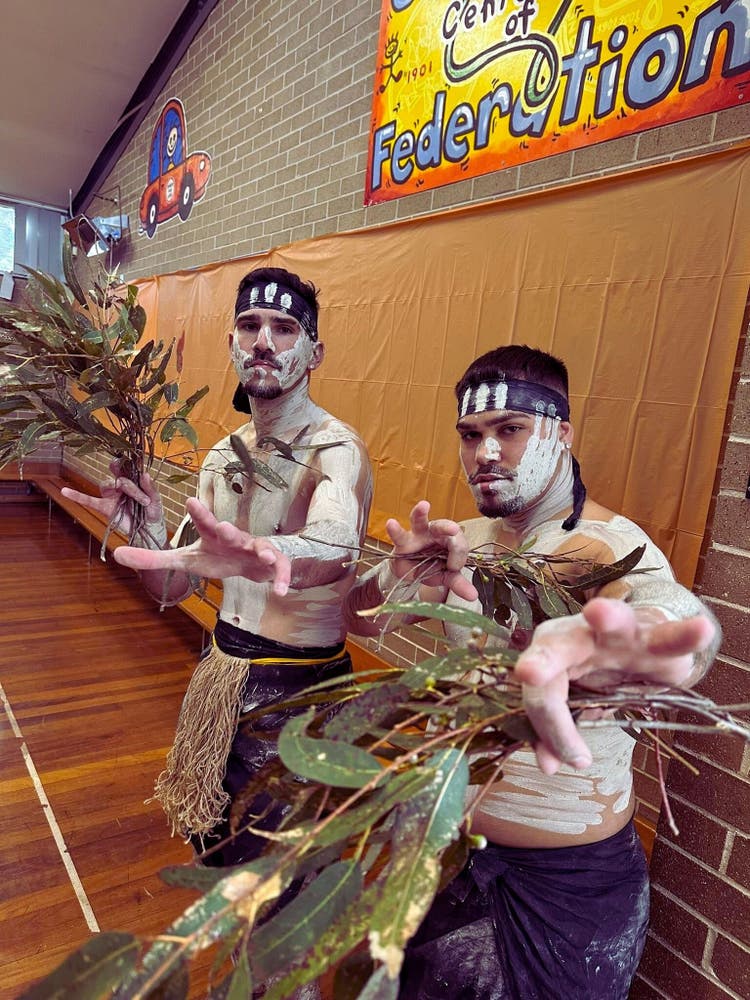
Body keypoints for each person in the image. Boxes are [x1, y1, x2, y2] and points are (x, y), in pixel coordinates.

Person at [343, 344, 719, 1000]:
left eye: (510, 430)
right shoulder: (463, 543)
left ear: (562, 435)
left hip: (566, 893)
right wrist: (392, 580)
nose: (485, 453)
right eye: (471, 435)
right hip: (450, 860)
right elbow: (362, 620)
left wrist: (628, 649)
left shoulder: (604, 548)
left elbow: (682, 631)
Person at [62, 266, 373, 866]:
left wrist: (273, 554)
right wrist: (147, 533)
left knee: (283, 871)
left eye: (284, 329)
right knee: (215, 847)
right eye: (249, 325)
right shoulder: (221, 455)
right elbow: (174, 587)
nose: (263, 340)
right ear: (231, 342)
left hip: (297, 692)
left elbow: (335, 542)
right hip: (220, 673)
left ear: (315, 351)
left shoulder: (337, 450)